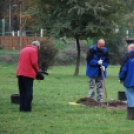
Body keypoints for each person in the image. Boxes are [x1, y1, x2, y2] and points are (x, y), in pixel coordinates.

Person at [16, 40, 40, 112]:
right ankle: (27, 109)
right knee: (28, 92)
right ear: (37, 47)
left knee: (22, 92)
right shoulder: (33, 50)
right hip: (28, 74)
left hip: (20, 73)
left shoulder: (23, 50)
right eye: (38, 49)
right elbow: (34, 63)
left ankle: (22, 108)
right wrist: (37, 72)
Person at [119, 43, 134, 119]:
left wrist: (121, 78)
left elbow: (124, 69)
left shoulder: (127, 56)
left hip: (130, 81)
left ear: (131, 48)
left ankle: (131, 115)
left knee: (130, 96)